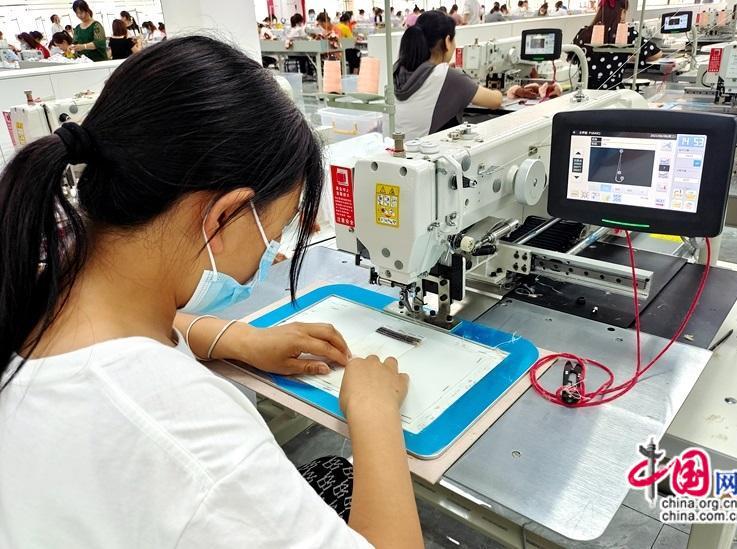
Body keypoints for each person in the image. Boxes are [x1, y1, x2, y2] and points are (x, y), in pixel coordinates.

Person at [0, 35, 424, 549]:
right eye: (276, 231)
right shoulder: (188, 435)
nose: (272, 252)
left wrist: (239, 339)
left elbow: (139, 332)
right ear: (223, 216)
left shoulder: (41, 282)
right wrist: (376, 415)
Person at [394, 10, 502, 139]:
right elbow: (495, 101)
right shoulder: (447, 76)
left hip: (396, 147)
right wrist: (508, 90)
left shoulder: (398, 70)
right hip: (428, 149)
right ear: (447, 41)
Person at [573, 0, 661, 90]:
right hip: (612, 92)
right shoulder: (626, 33)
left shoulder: (583, 33)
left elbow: (572, 57)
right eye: (625, 12)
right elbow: (657, 53)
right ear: (622, 12)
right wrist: (631, 57)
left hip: (584, 92)